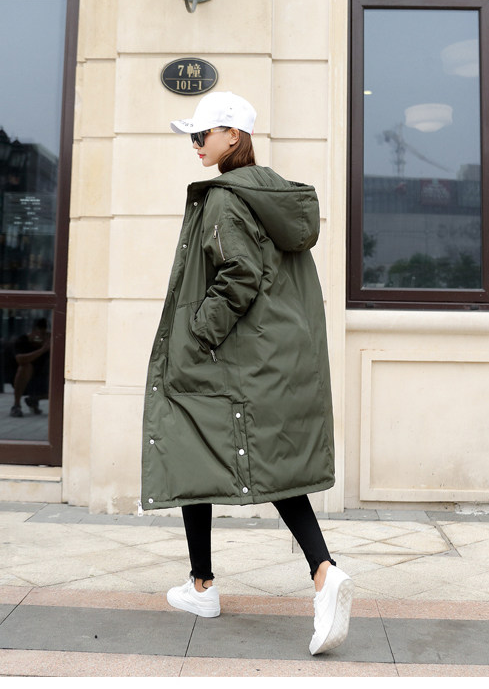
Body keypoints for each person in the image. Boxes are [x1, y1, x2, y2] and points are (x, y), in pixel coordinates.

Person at [141, 91, 354, 655]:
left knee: (188, 440)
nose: (195, 144)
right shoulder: (270, 195)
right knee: (237, 458)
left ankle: (314, 574)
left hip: (229, 355)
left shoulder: (225, 198)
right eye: (191, 136)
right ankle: (218, 584)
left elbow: (239, 273)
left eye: (202, 134)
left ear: (232, 136)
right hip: (269, 356)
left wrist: (198, 334)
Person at [10, 317, 50, 418]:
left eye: (44, 333)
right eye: (39, 334)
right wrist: (42, 350)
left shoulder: (49, 341)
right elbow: (20, 359)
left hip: (43, 377)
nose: (41, 336)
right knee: (25, 367)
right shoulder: (23, 341)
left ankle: (34, 399)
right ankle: (16, 405)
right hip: (25, 377)